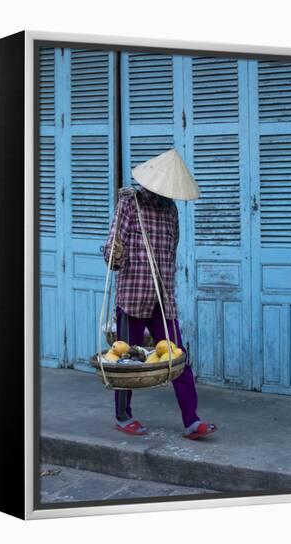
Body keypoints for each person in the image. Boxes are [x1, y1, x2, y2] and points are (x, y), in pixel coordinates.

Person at [103, 149, 217, 440]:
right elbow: (113, 246)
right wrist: (114, 254)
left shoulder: (170, 211)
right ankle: (122, 415)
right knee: (125, 360)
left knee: (177, 357)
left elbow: (171, 250)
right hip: (132, 297)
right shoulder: (130, 204)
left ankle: (192, 420)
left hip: (163, 299)